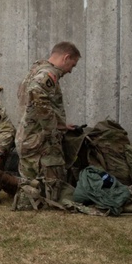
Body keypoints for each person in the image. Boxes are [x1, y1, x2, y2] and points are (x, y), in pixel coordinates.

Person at [14, 41, 81, 207]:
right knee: (52, 192)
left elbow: (32, 104)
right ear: (66, 58)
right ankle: (6, 183)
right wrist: (51, 129)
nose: (71, 71)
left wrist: (61, 125)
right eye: (72, 65)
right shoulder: (48, 74)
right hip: (40, 144)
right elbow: (36, 93)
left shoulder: (35, 70)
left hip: (28, 138)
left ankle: (10, 186)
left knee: (30, 183)